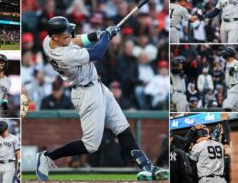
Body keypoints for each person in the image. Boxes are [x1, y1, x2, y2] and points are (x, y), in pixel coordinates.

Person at [36, 16, 169, 181]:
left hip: (97, 87)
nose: (69, 36)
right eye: (65, 34)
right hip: (86, 94)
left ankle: (148, 167)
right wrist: (106, 37)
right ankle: (48, 156)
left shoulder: (48, 41)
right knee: (91, 146)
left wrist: (97, 35)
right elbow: (96, 53)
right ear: (55, 36)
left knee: (122, 128)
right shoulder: (65, 55)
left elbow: (74, 40)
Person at [222, 47, 238, 111]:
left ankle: (225, 120)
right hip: (229, 89)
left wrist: (234, 69)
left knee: (227, 106)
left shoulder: (236, 62)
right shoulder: (227, 64)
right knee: (236, 111)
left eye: (225, 52)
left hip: (235, 87)